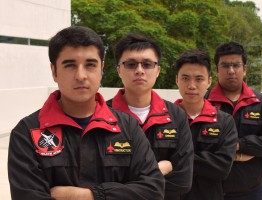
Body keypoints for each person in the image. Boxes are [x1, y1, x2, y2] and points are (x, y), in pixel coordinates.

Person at [7, 26, 165, 200]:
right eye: (70, 65)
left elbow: (153, 190)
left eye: (90, 65)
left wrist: (88, 195)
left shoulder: (128, 127)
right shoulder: (26, 133)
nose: (81, 75)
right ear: (54, 71)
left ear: (101, 69)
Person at [106, 33, 194, 199]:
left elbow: (182, 181)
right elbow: (98, 181)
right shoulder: (101, 115)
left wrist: (126, 185)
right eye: (131, 64)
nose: (139, 71)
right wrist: (160, 169)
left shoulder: (176, 115)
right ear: (119, 70)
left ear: (158, 70)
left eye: (147, 64)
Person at [206, 41, 262, 200]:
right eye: (225, 66)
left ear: (244, 69)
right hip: (209, 192)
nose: (231, 71)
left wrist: (239, 145)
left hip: (251, 192)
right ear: (216, 70)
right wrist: (239, 154)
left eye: (236, 65)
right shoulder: (203, 102)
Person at [173, 49, 238, 200]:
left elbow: (222, 168)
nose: (191, 85)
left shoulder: (224, 121)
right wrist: (205, 160)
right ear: (177, 80)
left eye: (199, 79)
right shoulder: (164, 119)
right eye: (185, 78)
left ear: (209, 81)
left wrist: (176, 159)